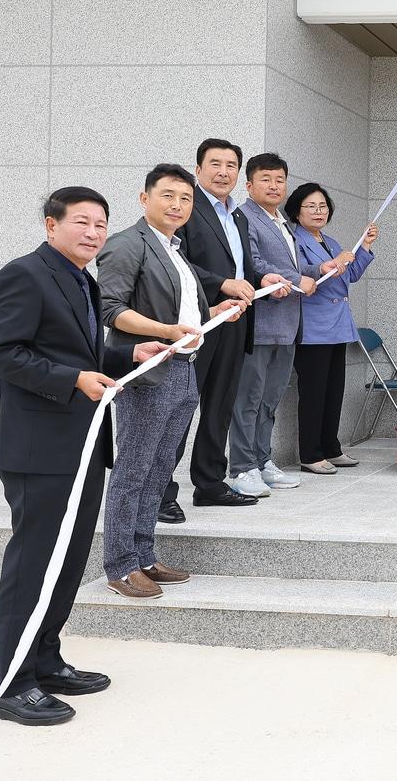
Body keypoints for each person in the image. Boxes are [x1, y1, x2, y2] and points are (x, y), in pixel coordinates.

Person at [0, 187, 169, 726]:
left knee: (67, 559)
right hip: (39, 446)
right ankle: (11, 682)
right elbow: (1, 353)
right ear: (50, 225)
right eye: (82, 222)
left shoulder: (82, 279)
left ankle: (44, 660)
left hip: (82, 441)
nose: (93, 233)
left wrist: (128, 351)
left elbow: (74, 351)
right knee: (35, 561)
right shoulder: (23, 274)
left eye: (101, 225)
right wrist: (74, 380)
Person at [97, 164, 247, 598]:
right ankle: (120, 565)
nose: (177, 204)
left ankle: (144, 556)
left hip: (183, 368)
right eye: (167, 195)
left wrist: (212, 314)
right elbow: (110, 308)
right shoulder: (127, 244)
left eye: (184, 198)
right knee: (134, 470)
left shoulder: (174, 249)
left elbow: (182, 315)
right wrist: (164, 333)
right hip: (148, 371)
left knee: (160, 469)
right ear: (145, 199)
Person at [160, 138, 289, 518]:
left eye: (231, 165)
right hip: (196, 322)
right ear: (198, 169)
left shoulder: (238, 215)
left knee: (219, 407)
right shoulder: (187, 208)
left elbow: (241, 267)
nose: (223, 172)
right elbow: (175, 261)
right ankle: (162, 492)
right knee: (180, 410)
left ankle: (210, 483)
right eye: (215, 164)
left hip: (234, 321)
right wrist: (222, 284)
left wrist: (258, 280)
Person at [230, 153, 335, 496]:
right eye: (266, 179)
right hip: (260, 325)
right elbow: (254, 262)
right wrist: (293, 278)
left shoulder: (283, 225)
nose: (274, 186)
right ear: (249, 185)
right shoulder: (243, 217)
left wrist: (319, 271)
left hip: (287, 325)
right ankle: (243, 467)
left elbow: (295, 268)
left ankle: (262, 461)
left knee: (269, 400)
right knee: (249, 398)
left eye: (279, 180)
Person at [287, 183, 378, 473]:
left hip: (337, 326)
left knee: (333, 390)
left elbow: (349, 274)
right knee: (313, 392)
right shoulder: (293, 240)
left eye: (323, 206)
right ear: (297, 211)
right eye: (311, 206)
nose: (318, 211)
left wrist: (364, 247)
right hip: (313, 326)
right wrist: (330, 264)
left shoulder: (331, 241)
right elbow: (299, 273)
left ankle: (331, 446)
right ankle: (310, 454)